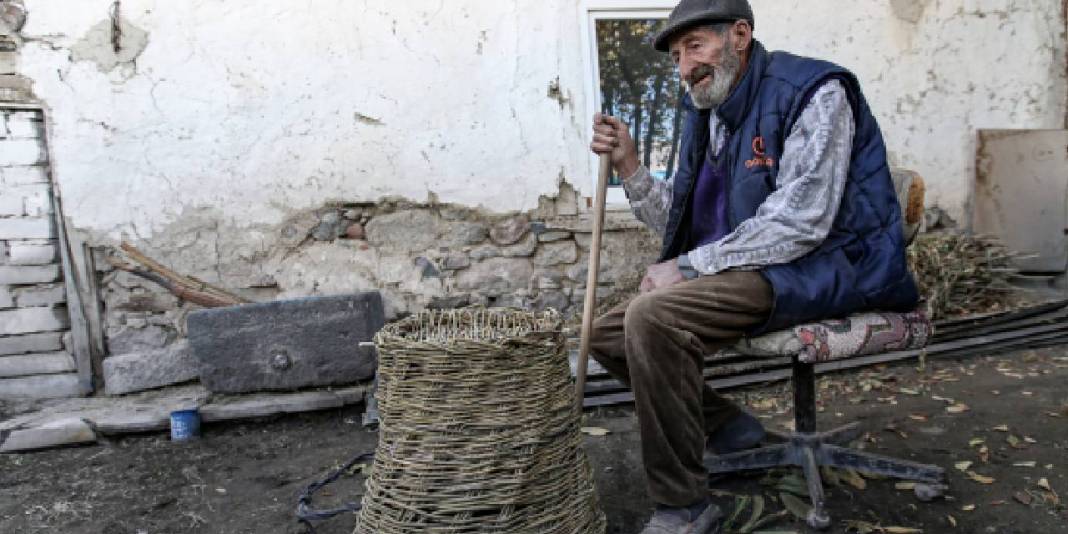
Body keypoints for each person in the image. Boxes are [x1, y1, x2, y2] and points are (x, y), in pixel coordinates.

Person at [588, 0, 919, 532]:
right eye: (676, 56)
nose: (684, 67)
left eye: (694, 46)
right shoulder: (709, 113)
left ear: (740, 35)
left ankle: (684, 507)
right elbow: (685, 219)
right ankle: (729, 428)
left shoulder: (813, 91)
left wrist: (692, 267)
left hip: (835, 264)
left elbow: (802, 220)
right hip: (767, 268)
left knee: (651, 318)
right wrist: (630, 164)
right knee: (604, 334)